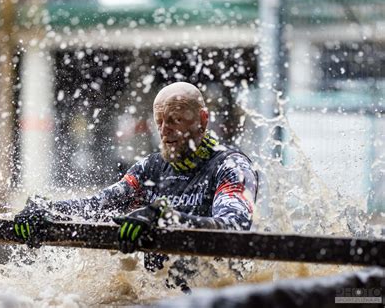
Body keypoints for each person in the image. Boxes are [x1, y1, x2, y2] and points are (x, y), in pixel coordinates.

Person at [14, 81, 258, 292]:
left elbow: (234, 227)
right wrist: (48, 209)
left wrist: (169, 219)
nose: (164, 131)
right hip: (158, 294)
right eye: (159, 121)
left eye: (175, 120)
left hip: (215, 295)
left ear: (203, 120)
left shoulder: (231, 166)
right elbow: (97, 205)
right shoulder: (150, 168)